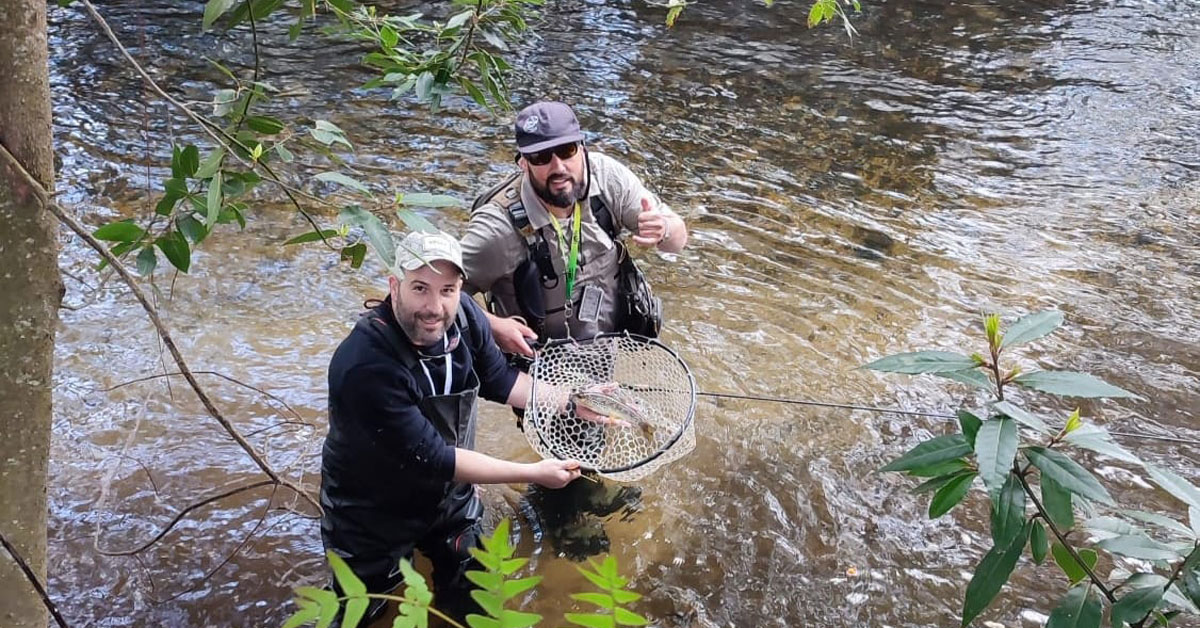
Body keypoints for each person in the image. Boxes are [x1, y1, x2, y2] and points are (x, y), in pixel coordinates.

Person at [319, 229, 583, 625]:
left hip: (448, 501)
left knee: (474, 600)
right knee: (361, 611)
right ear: (394, 286)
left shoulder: (464, 317)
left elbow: (501, 381)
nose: (434, 307)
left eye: (447, 290)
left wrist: (573, 400)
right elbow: (437, 457)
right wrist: (534, 473)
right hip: (371, 514)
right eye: (420, 288)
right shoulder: (364, 366)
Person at [461, 100, 689, 356]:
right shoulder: (497, 230)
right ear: (523, 164)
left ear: (582, 148)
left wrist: (664, 230)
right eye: (541, 157)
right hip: (532, 366)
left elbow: (678, 240)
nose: (558, 167)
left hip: (603, 354)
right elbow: (438, 295)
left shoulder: (609, 180)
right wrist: (494, 327)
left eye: (566, 150)